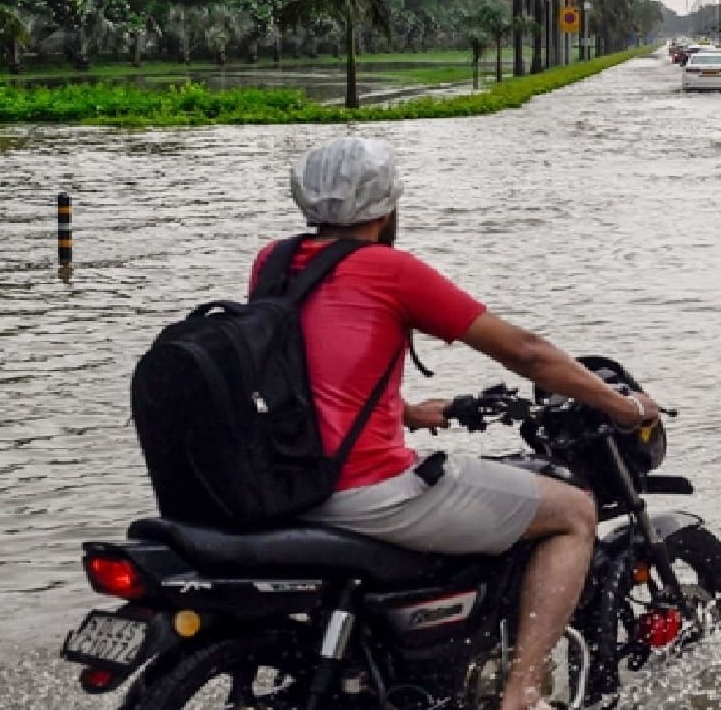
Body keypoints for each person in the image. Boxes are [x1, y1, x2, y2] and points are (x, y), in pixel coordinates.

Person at [250, 137, 662, 710]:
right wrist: (624, 407)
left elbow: (307, 375)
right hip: (366, 490)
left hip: (289, 482)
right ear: (388, 206)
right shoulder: (390, 270)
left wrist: (409, 413)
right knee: (573, 511)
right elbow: (525, 351)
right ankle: (521, 695)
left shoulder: (272, 263)